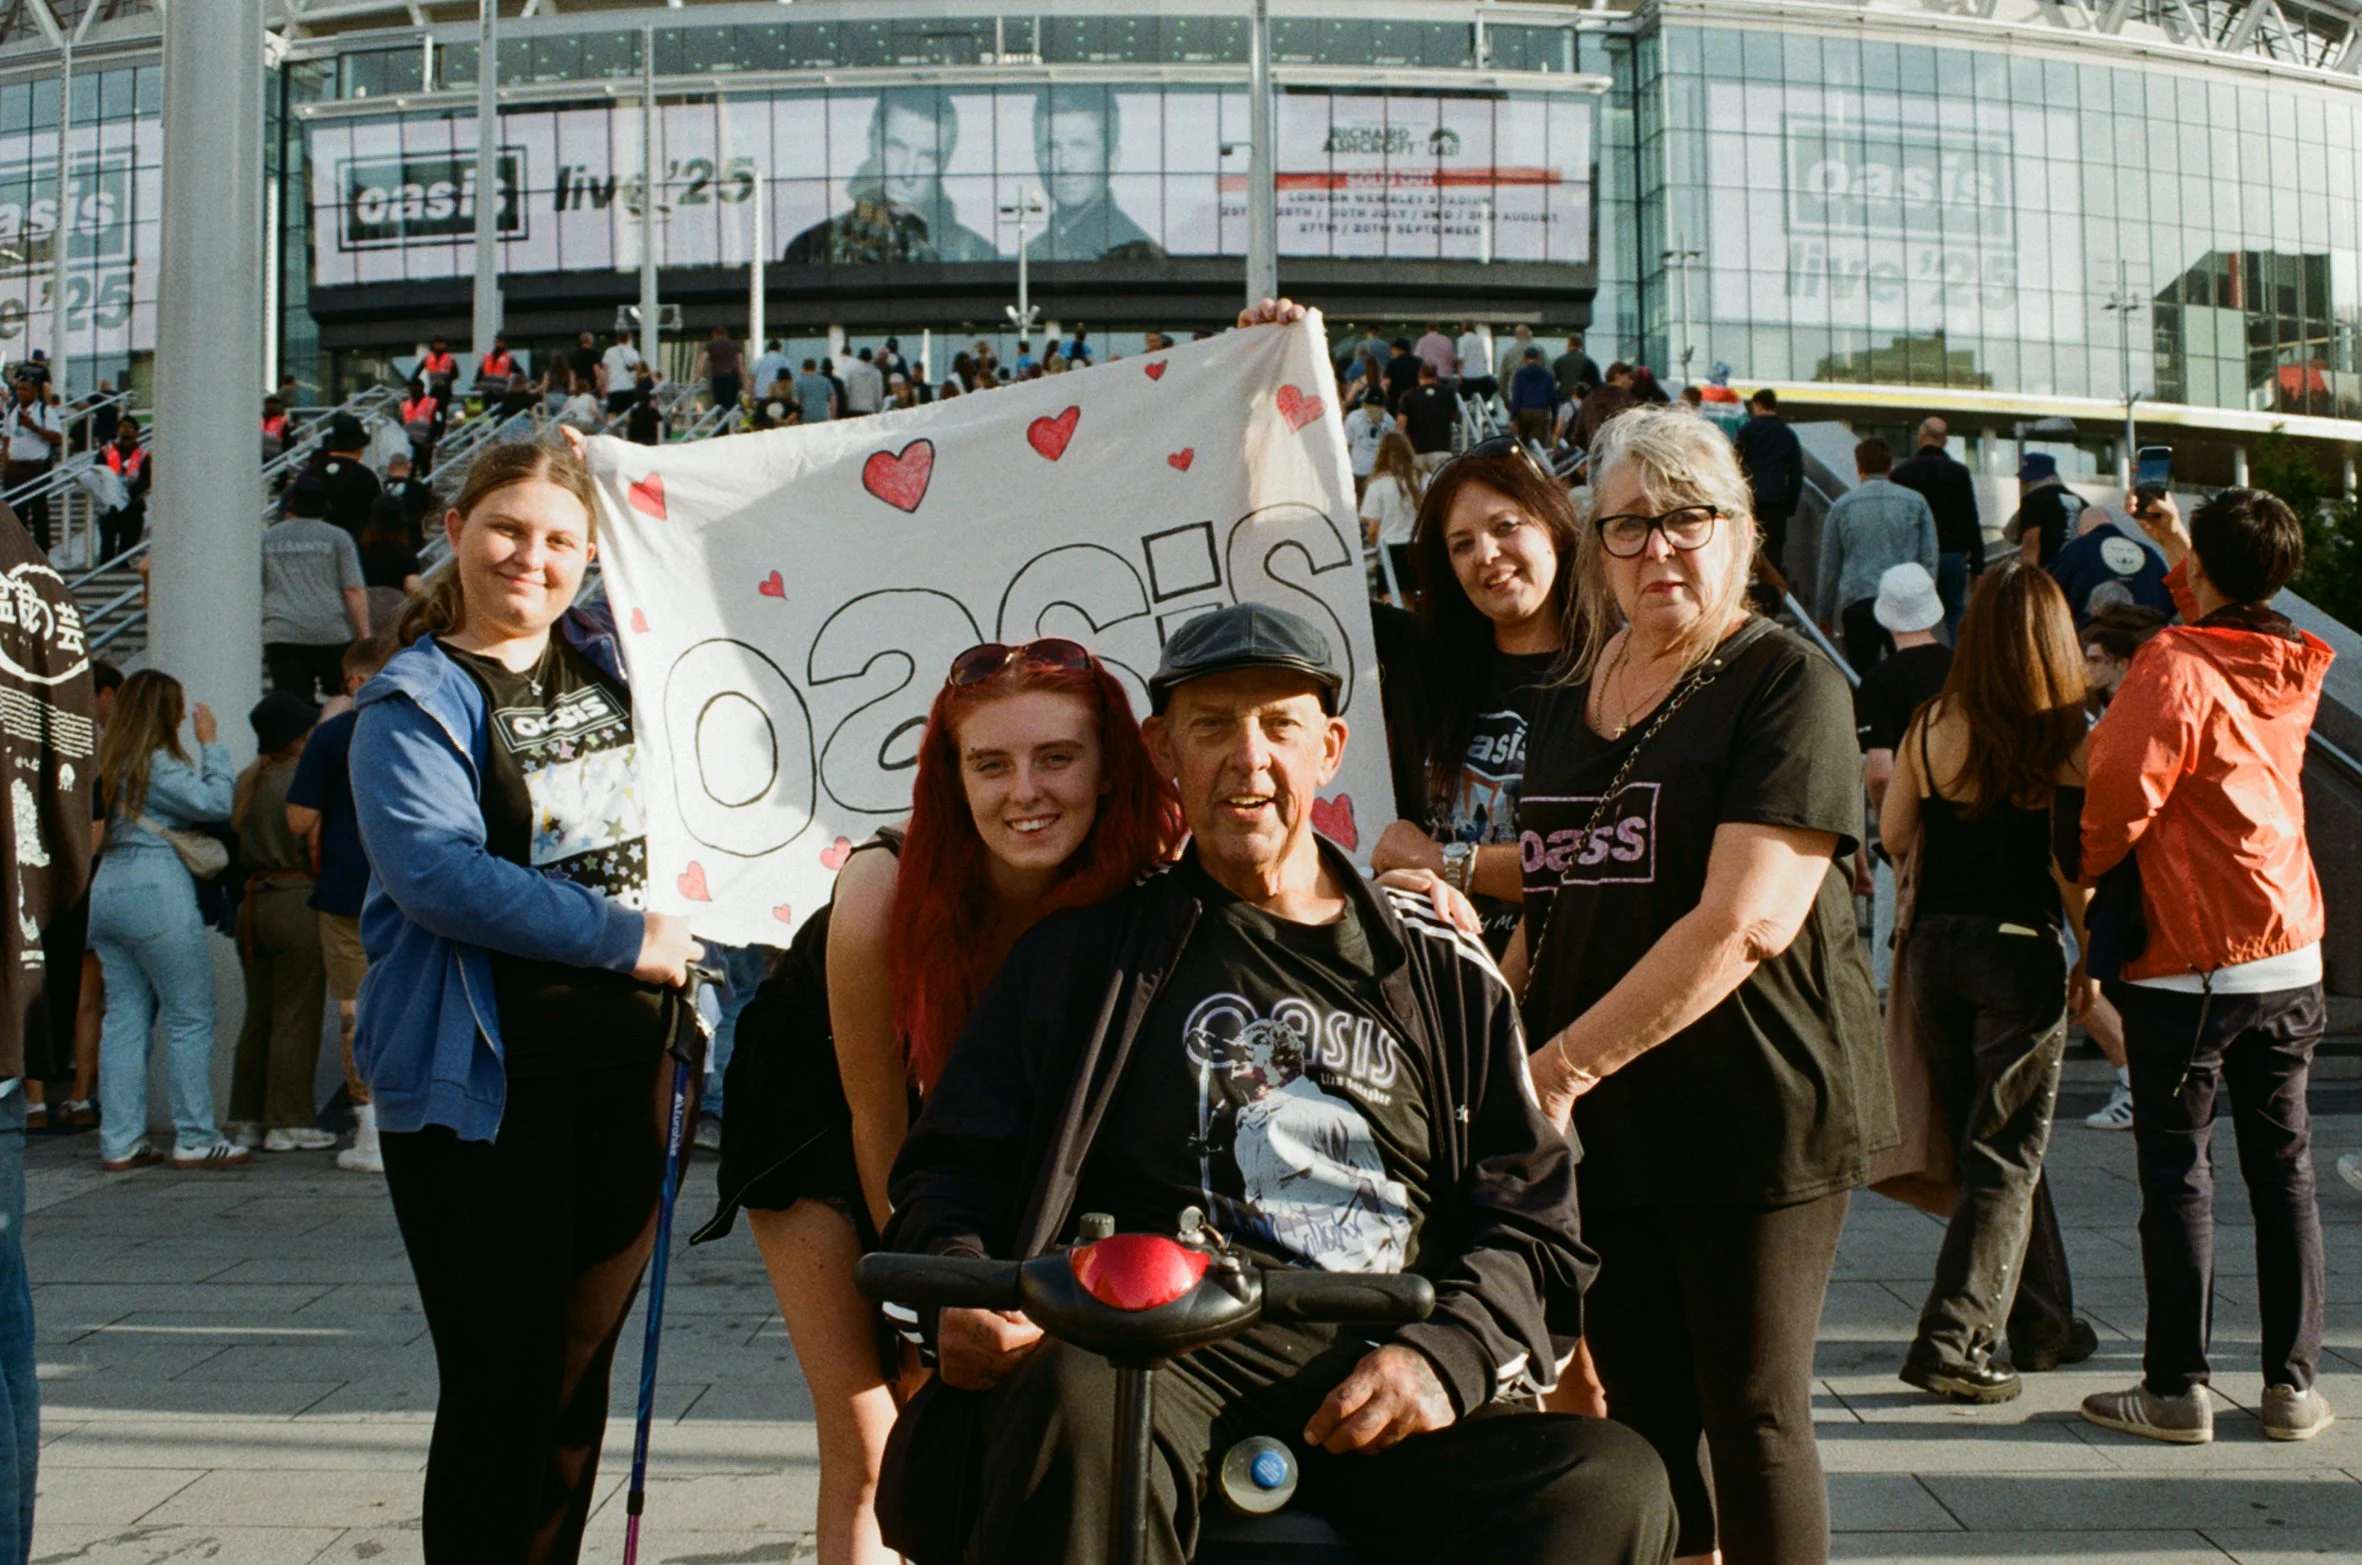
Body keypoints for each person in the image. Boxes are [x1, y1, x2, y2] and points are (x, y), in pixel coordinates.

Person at [883, 599, 1678, 1565]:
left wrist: (1444, 1358)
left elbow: (1535, 1222)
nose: (1246, 757)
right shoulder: (1079, 959)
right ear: (1163, 749)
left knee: (1611, 1485)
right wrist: (958, 1296)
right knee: (1074, 1394)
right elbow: (945, 1178)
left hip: (1385, 1377)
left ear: (1331, 747)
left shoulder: (1441, 972)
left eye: (1280, 725)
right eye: (1211, 726)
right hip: (1150, 1367)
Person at [696, 637, 1182, 1565]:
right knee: (878, 1439)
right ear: (950, 776)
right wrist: (933, 1304)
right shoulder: (880, 888)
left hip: (989, 1134)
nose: (1025, 791)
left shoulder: (1147, 879)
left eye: (1058, 757)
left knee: (981, 1420)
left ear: (1113, 767)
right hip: (822, 1114)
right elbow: (880, 1124)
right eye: (990, 763)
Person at [1512, 405, 1890, 1565]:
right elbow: (1553, 908)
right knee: (1641, 1407)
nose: (1657, 549)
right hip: (1604, 1120)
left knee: (1754, 1408)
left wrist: (1557, 1066)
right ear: (1595, 547)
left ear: (1743, 530)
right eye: (1627, 525)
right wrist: (1491, 1055)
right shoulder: (1569, 697)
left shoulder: (1784, 682)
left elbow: (1745, 920)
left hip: (1752, 1109)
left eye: (1688, 519)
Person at [349, 435, 706, 1558]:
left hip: (630, 1077)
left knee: (572, 1385)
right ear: (454, 532)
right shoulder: (413, 698)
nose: (530, 557)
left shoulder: (617, 663)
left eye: (561, 539)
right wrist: (628, 938)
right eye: (507, 528)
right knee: (502, 1386)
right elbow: (437, 875)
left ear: (594, 558)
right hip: (485, 1094)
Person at [2080, 486, 2337, 1446]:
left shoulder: (2174, 660)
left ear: (2214, 574)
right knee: (2288, 1170)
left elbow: (2119, 784)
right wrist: (2178, 543)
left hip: (2189, 953)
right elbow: (2223, 612)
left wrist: (2093, 865)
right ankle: (2291, 1386)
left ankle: (2177, 1389)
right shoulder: (2293, 658)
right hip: (2291, 944)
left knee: (2179, 1171)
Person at [1881, 563, 2097, 1403]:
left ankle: (2044, 1320)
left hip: (1936, 949)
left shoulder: (1933, 721)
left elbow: (1897, 832)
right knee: (2004, 1149)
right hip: (2019, 952)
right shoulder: (2070, 734)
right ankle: (1954, 1339)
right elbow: (2071, 864)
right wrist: (2092, 960)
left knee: (1999, 1143)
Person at [1371, 438, 1579, 958]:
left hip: (1564, 991)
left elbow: (1607, 868)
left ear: (1552, 525)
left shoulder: (1620, 674)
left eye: (1506, 526)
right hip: (1434, 977)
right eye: (1461, 544)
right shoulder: (1421, 661)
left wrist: (1444, 861)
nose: (1486, 554)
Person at [91, 670, 248, 1172]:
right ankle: (196, 1136)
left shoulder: (106, 759)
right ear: (164, 713)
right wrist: (212, 746)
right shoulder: (156, 761)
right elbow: (215, 803)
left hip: (107, 889)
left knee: (124, 1019)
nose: (184, 717)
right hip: (156, 887)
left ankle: (120, 1141)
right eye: (177, 708)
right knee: (190, 1017)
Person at [287, 636, 395, 1175]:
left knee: (354, 1011)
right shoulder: (419, 722)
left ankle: (370, 1128)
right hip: (412, 890)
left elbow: (298, 820)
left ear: (353, 679)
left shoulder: (332, 736)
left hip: (346, 894)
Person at [226, 691, 339, 1154]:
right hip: (297, 900)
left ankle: (249, 1119)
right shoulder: (303, 779)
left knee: (260, 1016)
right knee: (296, 1014)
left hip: (252, 905)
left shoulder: (247, 779)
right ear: (298, 738)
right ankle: (289, 1122)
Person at [1851, 564, 1952, 994]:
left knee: (1897, 975)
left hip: (1910, 840)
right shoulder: (1965, 666)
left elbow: (1879, 772)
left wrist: (1890, 828)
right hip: (1968, 828)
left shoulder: (1878, 682)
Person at [784, 89, 995, 264]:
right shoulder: (814, 247)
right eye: (897, 148)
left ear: (945, 162)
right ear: (873, 141)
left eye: (927, 157)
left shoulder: (978, 254)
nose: (908, 173)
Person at [1814, 438, 1939, 674]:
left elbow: (1829, 566)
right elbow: (1929, 557)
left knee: (1863, 676)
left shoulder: (1842, 506)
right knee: (1908, 672)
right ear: (1890, 466)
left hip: (1859, 599)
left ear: (1859, 467)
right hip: (1905, 599)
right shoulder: (1915, 501)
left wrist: (1823, 614)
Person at [263, 476, 370, 702]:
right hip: (329, 628)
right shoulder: (338, 538)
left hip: (282, 630)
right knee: (340, 697)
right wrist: (364, 635)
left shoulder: (269, 538)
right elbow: (352, 590)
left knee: (291, 702)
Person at [1028, 87, 1163, 260]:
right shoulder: (1032, 253)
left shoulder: (1137, 256)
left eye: (1080, 146)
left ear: (1112, 159)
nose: (1064, 164)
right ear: (1037, 158)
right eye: (1051, 148)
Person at [1888, 419, 1982, 636]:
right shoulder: (1958, 472)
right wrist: (1977, 565)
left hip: (1914, 557)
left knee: (1913, 617)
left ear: (1920, 439)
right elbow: (1970, 517)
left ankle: (1918, 663)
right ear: (1946, 441)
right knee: (1955, 611)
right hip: (1952, 554)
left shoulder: (1902, 473)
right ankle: (1960, 664)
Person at [2049, 503, 2173, 622]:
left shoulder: (2075, 550)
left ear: (2080, 530)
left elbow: (2050, 596)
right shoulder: (2148, 553)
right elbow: (2169, 602)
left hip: (2090, 637)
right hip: (2146, 638)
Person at [1732, 388, 1802, 581]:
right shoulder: (1787, 434)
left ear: (1757, 405)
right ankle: (1771, 593)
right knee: (1774, 548)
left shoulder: (1746, 431)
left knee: (1746, 544)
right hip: (1777, 500)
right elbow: (1796, 472)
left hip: (1750, 499)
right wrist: (1791, 504)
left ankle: (1746, 589)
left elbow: (1734, 464)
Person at [1357, 432, 1425, 604]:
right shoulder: (1424, 479)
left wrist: (1374, 545)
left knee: (1394, 604)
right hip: (1420, 546)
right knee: (1415, 601)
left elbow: (1373, 528)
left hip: (1390, 550)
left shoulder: (1377, 485)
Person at [3, 376, 63, 553]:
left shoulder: (45, 411)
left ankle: (42, 551)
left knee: (39, 513)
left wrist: (33, 427)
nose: (21, 393)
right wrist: (6, 460)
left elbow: (57, 438)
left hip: (36, 468)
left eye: (25, 389)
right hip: (15, 469)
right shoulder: (13, 411)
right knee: (15, 513)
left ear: (35, 392)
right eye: (19, 389)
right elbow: (7, 437)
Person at [358, 495, 426, 634]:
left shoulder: (359, 549)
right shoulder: (404, 552)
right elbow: (413, 585)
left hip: (362, 610)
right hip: (392, 612)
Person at [2006, 453, 2085, 569]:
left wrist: (2028, 578)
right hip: (2078, 572)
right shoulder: (2081, 501)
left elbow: (2031, 546)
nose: (2022, 483)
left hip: (2049, 574)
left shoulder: (2033, 500)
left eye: (2024, 480)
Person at [310, 414, 383, 540]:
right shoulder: (365, 477)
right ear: (360, 448)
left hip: (315, 545)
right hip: (354, 545)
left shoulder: (312, 472)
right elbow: (377, 516)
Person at [97, 417, 150, 562]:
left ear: (137, 433)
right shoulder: (105, 451)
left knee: (129, 542)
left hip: (132, 503)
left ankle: (123, 565)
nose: (126, 431)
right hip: (110, 503)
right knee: (107, 542)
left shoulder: (143, 454)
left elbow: (147, 478)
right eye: (122, 427)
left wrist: (129, 492)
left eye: (130, 427)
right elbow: (98, 472)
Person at [1394, 360, 1457, 473]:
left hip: (1417, 451)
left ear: (1420, 375)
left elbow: (1400, 425)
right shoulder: (1448, 393)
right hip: (1442, 449)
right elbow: (1454, 416)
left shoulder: (1409, 395)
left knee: (1419, 488)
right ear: (1436, 375)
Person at [1569, 362, 1636, 457]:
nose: (1631, 382)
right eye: (1629, 377)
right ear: (1617, 376)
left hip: (1595, 454)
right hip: (1619, 455)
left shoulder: (1590, 398)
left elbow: (1578, 434)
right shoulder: (1628, 400)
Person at [1507, 346, 1559, 446]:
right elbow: (1553, 397)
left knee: (1523, 444)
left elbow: (1516, 396)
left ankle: (1525, 460)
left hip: (1523, 411)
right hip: (1541, 412)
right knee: (1539, 445)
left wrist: (1513, 418)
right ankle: (1538, 460)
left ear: (1525, 359)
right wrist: (1555, 418)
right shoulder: (1547, 375)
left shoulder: (1519, 374)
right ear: (1538, 358)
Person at [382, 451, 435, 548]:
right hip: (412, 535)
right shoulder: (418, 487)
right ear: (409, 468)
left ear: (389, 468)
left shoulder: (382, 488)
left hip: (386, 537)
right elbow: (426, 508)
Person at [1343, 391, 1391, 491]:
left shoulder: (1389, 421)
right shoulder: (1353, 418)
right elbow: (1347, 444)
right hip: (1360, 469)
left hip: (1379, 471)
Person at [698, 326, 745, 413]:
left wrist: (698, 377)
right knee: (731, 402)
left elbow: (702, 360)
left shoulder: (711, 344)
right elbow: (740, 363)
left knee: (719, 403)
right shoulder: (734, 345)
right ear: (726, 335)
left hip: (718, 376)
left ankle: (721, 423)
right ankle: (730, 422)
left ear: (714, 334)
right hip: (732, 376)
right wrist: (742, 379)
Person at [400, 379, 442, 474]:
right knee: (410, 469)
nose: (410, 390)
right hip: (409, 442)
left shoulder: (432, 402)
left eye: (412, 387)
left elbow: (437, 423)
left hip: (425, 442)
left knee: (425, 469)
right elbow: (402, 422)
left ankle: (426, 487)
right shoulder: (406, 404)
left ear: (420, 388)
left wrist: (431, 440)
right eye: (409, 387)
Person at [599, 330, 643, 417]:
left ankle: (611, 430)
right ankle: (627, 429)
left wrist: (604, 385)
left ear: (617, 339)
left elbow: (604, 370)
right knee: (628, 412)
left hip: (614, 387)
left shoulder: (609, 351)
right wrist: (635, 381)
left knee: (612, 412)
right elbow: (639, 369)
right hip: (629, 386)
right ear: (629, 339)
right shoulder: (633, 352)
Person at [1553, 332, 1601, 405]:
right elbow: (1596, 384)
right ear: (1580, 345)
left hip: (1565, 397)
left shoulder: (1559, 361)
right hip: (1584, 399)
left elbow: (1553, 380)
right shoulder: (1589, 362)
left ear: (1569, 344)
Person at [1456, 320, 1497, 400]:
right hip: (1482, 376)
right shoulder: (1480, 340)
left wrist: (1460, 376)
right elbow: (1485, 358)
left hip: (1467, 376)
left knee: (1464, 399)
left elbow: (1461, 359)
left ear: (1463, 328)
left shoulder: (1462, 340)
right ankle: (1485, 407)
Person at [841, 346, 885, 416]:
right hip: (870, 408)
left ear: (860, 358)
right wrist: (878, 410)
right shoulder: (876, 373)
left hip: (853, 407)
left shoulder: (852, 372)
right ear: (870, 358)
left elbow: (846, 390)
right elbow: (878, 394)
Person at [1382, 336, 1422, 409]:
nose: (1391, 352)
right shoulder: (1419, 362)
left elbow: (1386, 383)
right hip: (1415, 400)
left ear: (1397, 349)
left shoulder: (1392, 363)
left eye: (1392, 349)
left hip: (1396, 401)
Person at [795, 359, 838, 425]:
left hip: (805, 417)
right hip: (822, 417)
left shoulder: (799, 382)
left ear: (803, 368)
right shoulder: (825, 381)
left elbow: (796, 401)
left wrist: (796, 418)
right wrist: (833, 417)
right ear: (815, 368)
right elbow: (833, 400)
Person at [420, 337, 459, 402]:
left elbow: (456, 374)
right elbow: (417, 372)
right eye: (437, 344)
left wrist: (446, 380)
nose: (439, 346)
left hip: (446, 390)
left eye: (441, 344)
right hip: (433, 389)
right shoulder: (428, 358)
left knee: (442, 408)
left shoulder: (450, 358)